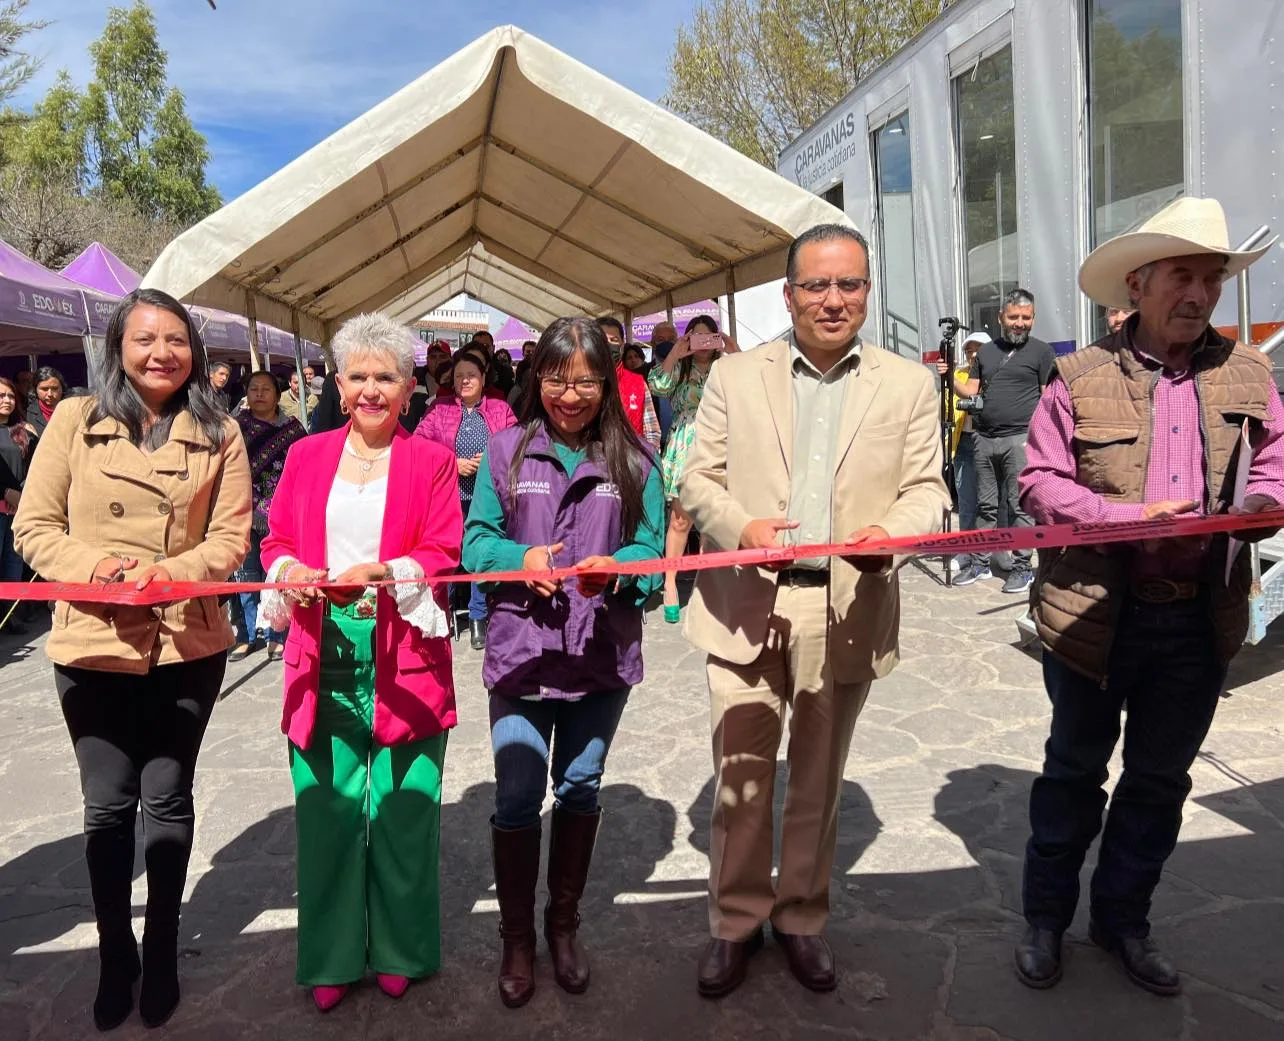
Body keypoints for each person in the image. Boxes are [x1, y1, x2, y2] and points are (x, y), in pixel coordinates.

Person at [1013, 197, 1284, 997]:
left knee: (1159, 782)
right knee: (1071, 774)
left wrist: (1262, 502)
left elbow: (1271, 464)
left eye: (1211, 276)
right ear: (1140, 283)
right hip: (1095, 615)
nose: (1197, 291)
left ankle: (1123, 919)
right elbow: (1038, 482)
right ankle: (1044, 920)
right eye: (1181, 274)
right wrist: (1119, 518)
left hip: (1198, 618)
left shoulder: (1250, 373)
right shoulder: (1078, 377)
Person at [680, 224, 949, 999]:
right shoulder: (735, 376)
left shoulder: (908, 384)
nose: (834, 300)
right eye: (818, 285)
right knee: (742, 778)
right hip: (745, 605)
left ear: (868, 290)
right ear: (789, 293)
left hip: (846, 604)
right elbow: (698, 479)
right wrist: (741, 528)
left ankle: (800, 917)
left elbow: (928, 489)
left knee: (819, 780)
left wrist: (893, 538)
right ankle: (734, 922)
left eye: (851, 284)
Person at [13, 287, 251, 1031]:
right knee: (106, 805)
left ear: (195, 351)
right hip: (93, 640)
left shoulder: (222, 432)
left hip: (186, 641)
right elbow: (35, 526)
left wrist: (175, 574)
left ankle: (165, 948)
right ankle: (118, 951)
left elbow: (232, 538)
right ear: (116, 346)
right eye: (145, 338)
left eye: (176, 340)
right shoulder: (74, 421)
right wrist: (100, 568)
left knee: (168, 797)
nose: (161, 353)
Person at [259, 312, 462, 1013]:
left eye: (387, 376)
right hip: (323, 649)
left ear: (409, 388)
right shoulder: (306, 455)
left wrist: (392, 569)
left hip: (406, 646)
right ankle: (332, 954)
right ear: (338, 384)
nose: (372, 389)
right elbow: (276, 536)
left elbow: (443, 549)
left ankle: (403, 948)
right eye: (359, 376)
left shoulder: (431, 461)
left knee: (407, 811)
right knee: (327, 813)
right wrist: (289, 568)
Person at [462, 316, 664, 1009]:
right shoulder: (505, 451)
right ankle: (517, 937)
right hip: (522, 654)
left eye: (585, 379)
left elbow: (653, 553)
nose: (570, 393)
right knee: (517, 791)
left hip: (599, 655)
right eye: (556, 377)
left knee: (580, 785)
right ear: (535, 377)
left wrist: (621, 570)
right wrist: (519, 561)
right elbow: (475, 542)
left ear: (607, 380)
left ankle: (563, 926)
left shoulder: (634, 459)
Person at [950, 289, 1056, 593]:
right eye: (1014, 317)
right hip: (983, 439)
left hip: (1020, 440)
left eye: (1026, 317)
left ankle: (1022, 568)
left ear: (1033, 318)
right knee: (986, 506)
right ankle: (980, 564)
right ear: (1001, 317)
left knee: (1019, 506)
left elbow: (1048, 398)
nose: (1020, 323)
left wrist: (1043, 440)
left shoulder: (1041, 352)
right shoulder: (985, 353)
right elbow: (970, 391)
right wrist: (948, 378)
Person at [414, 348, 517, 649]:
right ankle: (441, 614)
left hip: (489, 498)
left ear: (484, 378)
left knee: (480, 554)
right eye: (459, 376)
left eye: (471, 375)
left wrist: (491, 459)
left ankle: (478, 616)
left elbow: (518, 444)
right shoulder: (439, 409)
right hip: (448, 496)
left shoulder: (500, 409)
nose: (465, 381)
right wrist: (452, 463)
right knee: (447, 556)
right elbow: (418, 445)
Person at [648, 314, 737, 622]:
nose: (702, 344)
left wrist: (732, 349)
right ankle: (671, 582)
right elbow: (657, 385)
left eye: (707, 337)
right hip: (685, 444)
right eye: (695, 337)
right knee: (680, 520)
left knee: (714, 521)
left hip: (720, 443)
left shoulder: (725, 369)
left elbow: (753, 385)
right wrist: (675, 352)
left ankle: (707, 585)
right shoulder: (681, 368)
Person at [229, 371, 308, 663]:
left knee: (276, 572)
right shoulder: (235, 428)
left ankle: (277, 632)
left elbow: (304, 465)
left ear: (277, 393)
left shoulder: (292, 429)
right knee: (245, 576)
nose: (259, 393)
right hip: (243, 510)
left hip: (283, 510)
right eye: (253, 389)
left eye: (265, 388)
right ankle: (247, 634)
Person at [936, 333, 992, 573]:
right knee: (967, 502)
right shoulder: (959, 375)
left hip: (989, 442)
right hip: (963, 443)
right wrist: (947, 381)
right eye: (969, 350)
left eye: (978, 349)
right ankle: (967, 550)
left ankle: (992, 551)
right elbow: (946, 408)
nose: (973, 355)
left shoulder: (996, 373)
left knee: (990, 503)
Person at [0, 375, 36, 633]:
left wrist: (21, 493)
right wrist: (5, 492)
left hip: (18, 507)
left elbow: (32, 467)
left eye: (11, 396)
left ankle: (10, 614)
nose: (7, 400)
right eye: (1, 396)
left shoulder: (22, 432)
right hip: (2, 504)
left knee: (13, 563)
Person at [597, 317, 661, 452]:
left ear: (622, 344)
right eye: (602, 340)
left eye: (614, 340)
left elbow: (652, 433)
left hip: (632, 464)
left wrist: (649, 463)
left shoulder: (637, 383)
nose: (608, 345)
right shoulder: (581, 382)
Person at [27, 366, 67, 437]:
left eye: (55, 388)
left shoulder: (71, 410)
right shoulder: (27, 413)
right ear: (35, 389)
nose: (50, 394)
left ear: (62, 388)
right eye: (44, 389)